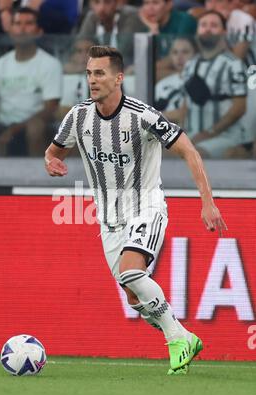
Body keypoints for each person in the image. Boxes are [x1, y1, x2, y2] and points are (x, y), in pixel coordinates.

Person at [44, 45, 227, 375]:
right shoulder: (78, 116)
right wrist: (52, 162)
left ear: (119, 78)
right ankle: (185, 336)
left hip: (147, 206)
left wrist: (207, 201)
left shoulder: (143, 115)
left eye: (99, 73)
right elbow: (54, 150)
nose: (92, 80)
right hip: (109, 219)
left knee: (131, 271)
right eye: (88, 73)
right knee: (134, 298)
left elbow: (189, 151)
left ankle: (177, 339)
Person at [167, 10, 251, 158]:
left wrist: (209, 133)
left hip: (226, 137)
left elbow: (239, 108)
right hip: (193, 136)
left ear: (224, 32)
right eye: (203, 25)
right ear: (197, 31)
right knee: (160, 153)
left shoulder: (234, 64)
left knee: (195, 154)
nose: (207, 29)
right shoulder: (190, 65)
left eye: (214, 25)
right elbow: (185, 107)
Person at [0, 7, 62, 156]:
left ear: (39, 31)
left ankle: (39, 177)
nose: (22, 28)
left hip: (34, 126)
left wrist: (13, 130)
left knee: (35, 127)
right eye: (17, 23)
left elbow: (51, 109)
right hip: (0, 125)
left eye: (28, 23)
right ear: (10, 30)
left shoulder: (50, 64)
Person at [78, 0, 146, 67]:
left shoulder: (130, 16)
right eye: (96, 2)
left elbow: (122, 53)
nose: (101, 8)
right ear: (90, 4)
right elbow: (79, 48)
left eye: (107, 2)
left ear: (116, 3)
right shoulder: (91, 17)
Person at [154, 37, 197, 112]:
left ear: (195, 55)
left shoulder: (200, 83)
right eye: (175, 52)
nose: (179, 57)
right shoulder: (161, 85)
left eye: (185, 52)